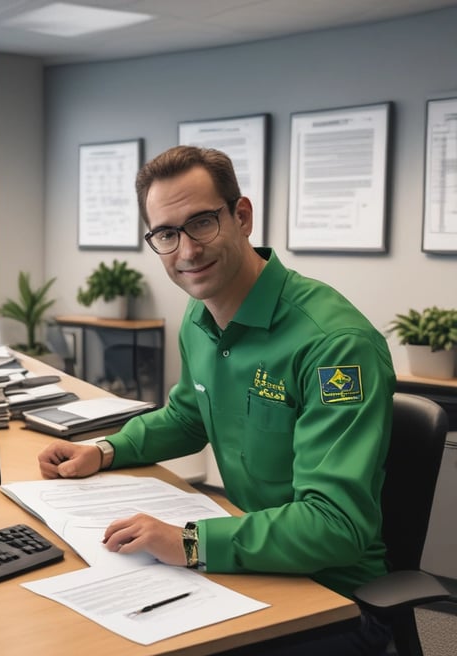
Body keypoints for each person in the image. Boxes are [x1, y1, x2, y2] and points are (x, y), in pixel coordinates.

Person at [38, 146, 396, 654]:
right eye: (166, 234)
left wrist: (188, 541)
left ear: (242, 217)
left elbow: (334, 525)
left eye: (202, 223)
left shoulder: (334, 345)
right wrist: (103, 450)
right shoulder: (201, 316)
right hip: (247, 568)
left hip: (334, 601)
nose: (186, 251)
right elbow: (188, 415)